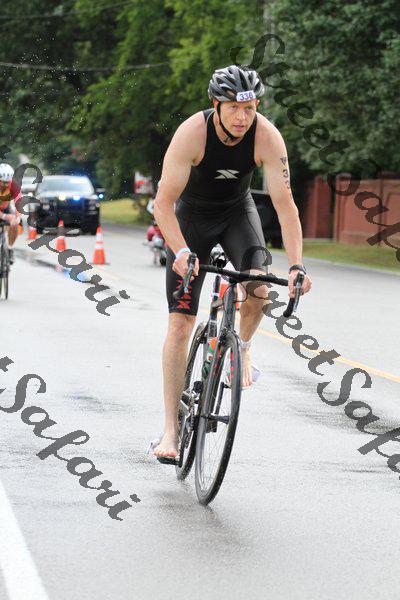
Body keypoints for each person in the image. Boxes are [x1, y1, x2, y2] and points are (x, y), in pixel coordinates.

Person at [152, 65, 312, 462]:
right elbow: (163, 204)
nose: (243, 117)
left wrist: (297, 265)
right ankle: (170, 431)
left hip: (238, 213)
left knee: (259, 287)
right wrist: (181, 251)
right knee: (180, 324)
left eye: (251, 108)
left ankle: (242, 347)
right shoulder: (192, 133)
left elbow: (286, 206)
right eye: (235, 108)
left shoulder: (267, 136)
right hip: (192, 219)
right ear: (216, 104)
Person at [0, 163, 22, 264]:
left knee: (15, 225)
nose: (5, 185)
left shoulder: (14, 186)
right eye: (3, 182)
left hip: (6, 207)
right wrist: (5, 216)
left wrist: (17, 218)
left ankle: (9, 248)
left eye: (7, 182)